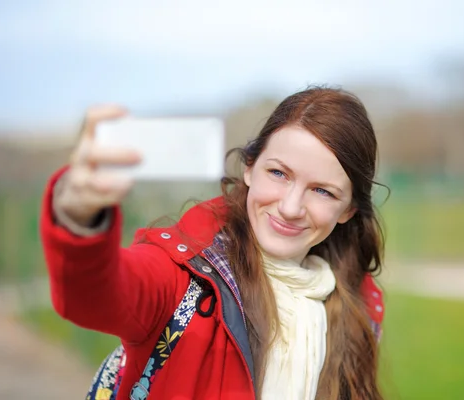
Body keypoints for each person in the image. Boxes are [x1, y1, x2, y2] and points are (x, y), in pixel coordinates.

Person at [40, 86, 386, 400]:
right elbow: (92, 295)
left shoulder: (356, 307)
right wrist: (78, 218)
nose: (291, 207)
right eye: (278, 173)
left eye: (322, 191)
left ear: (348, 210)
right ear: (249, 168)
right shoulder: (182, 276)